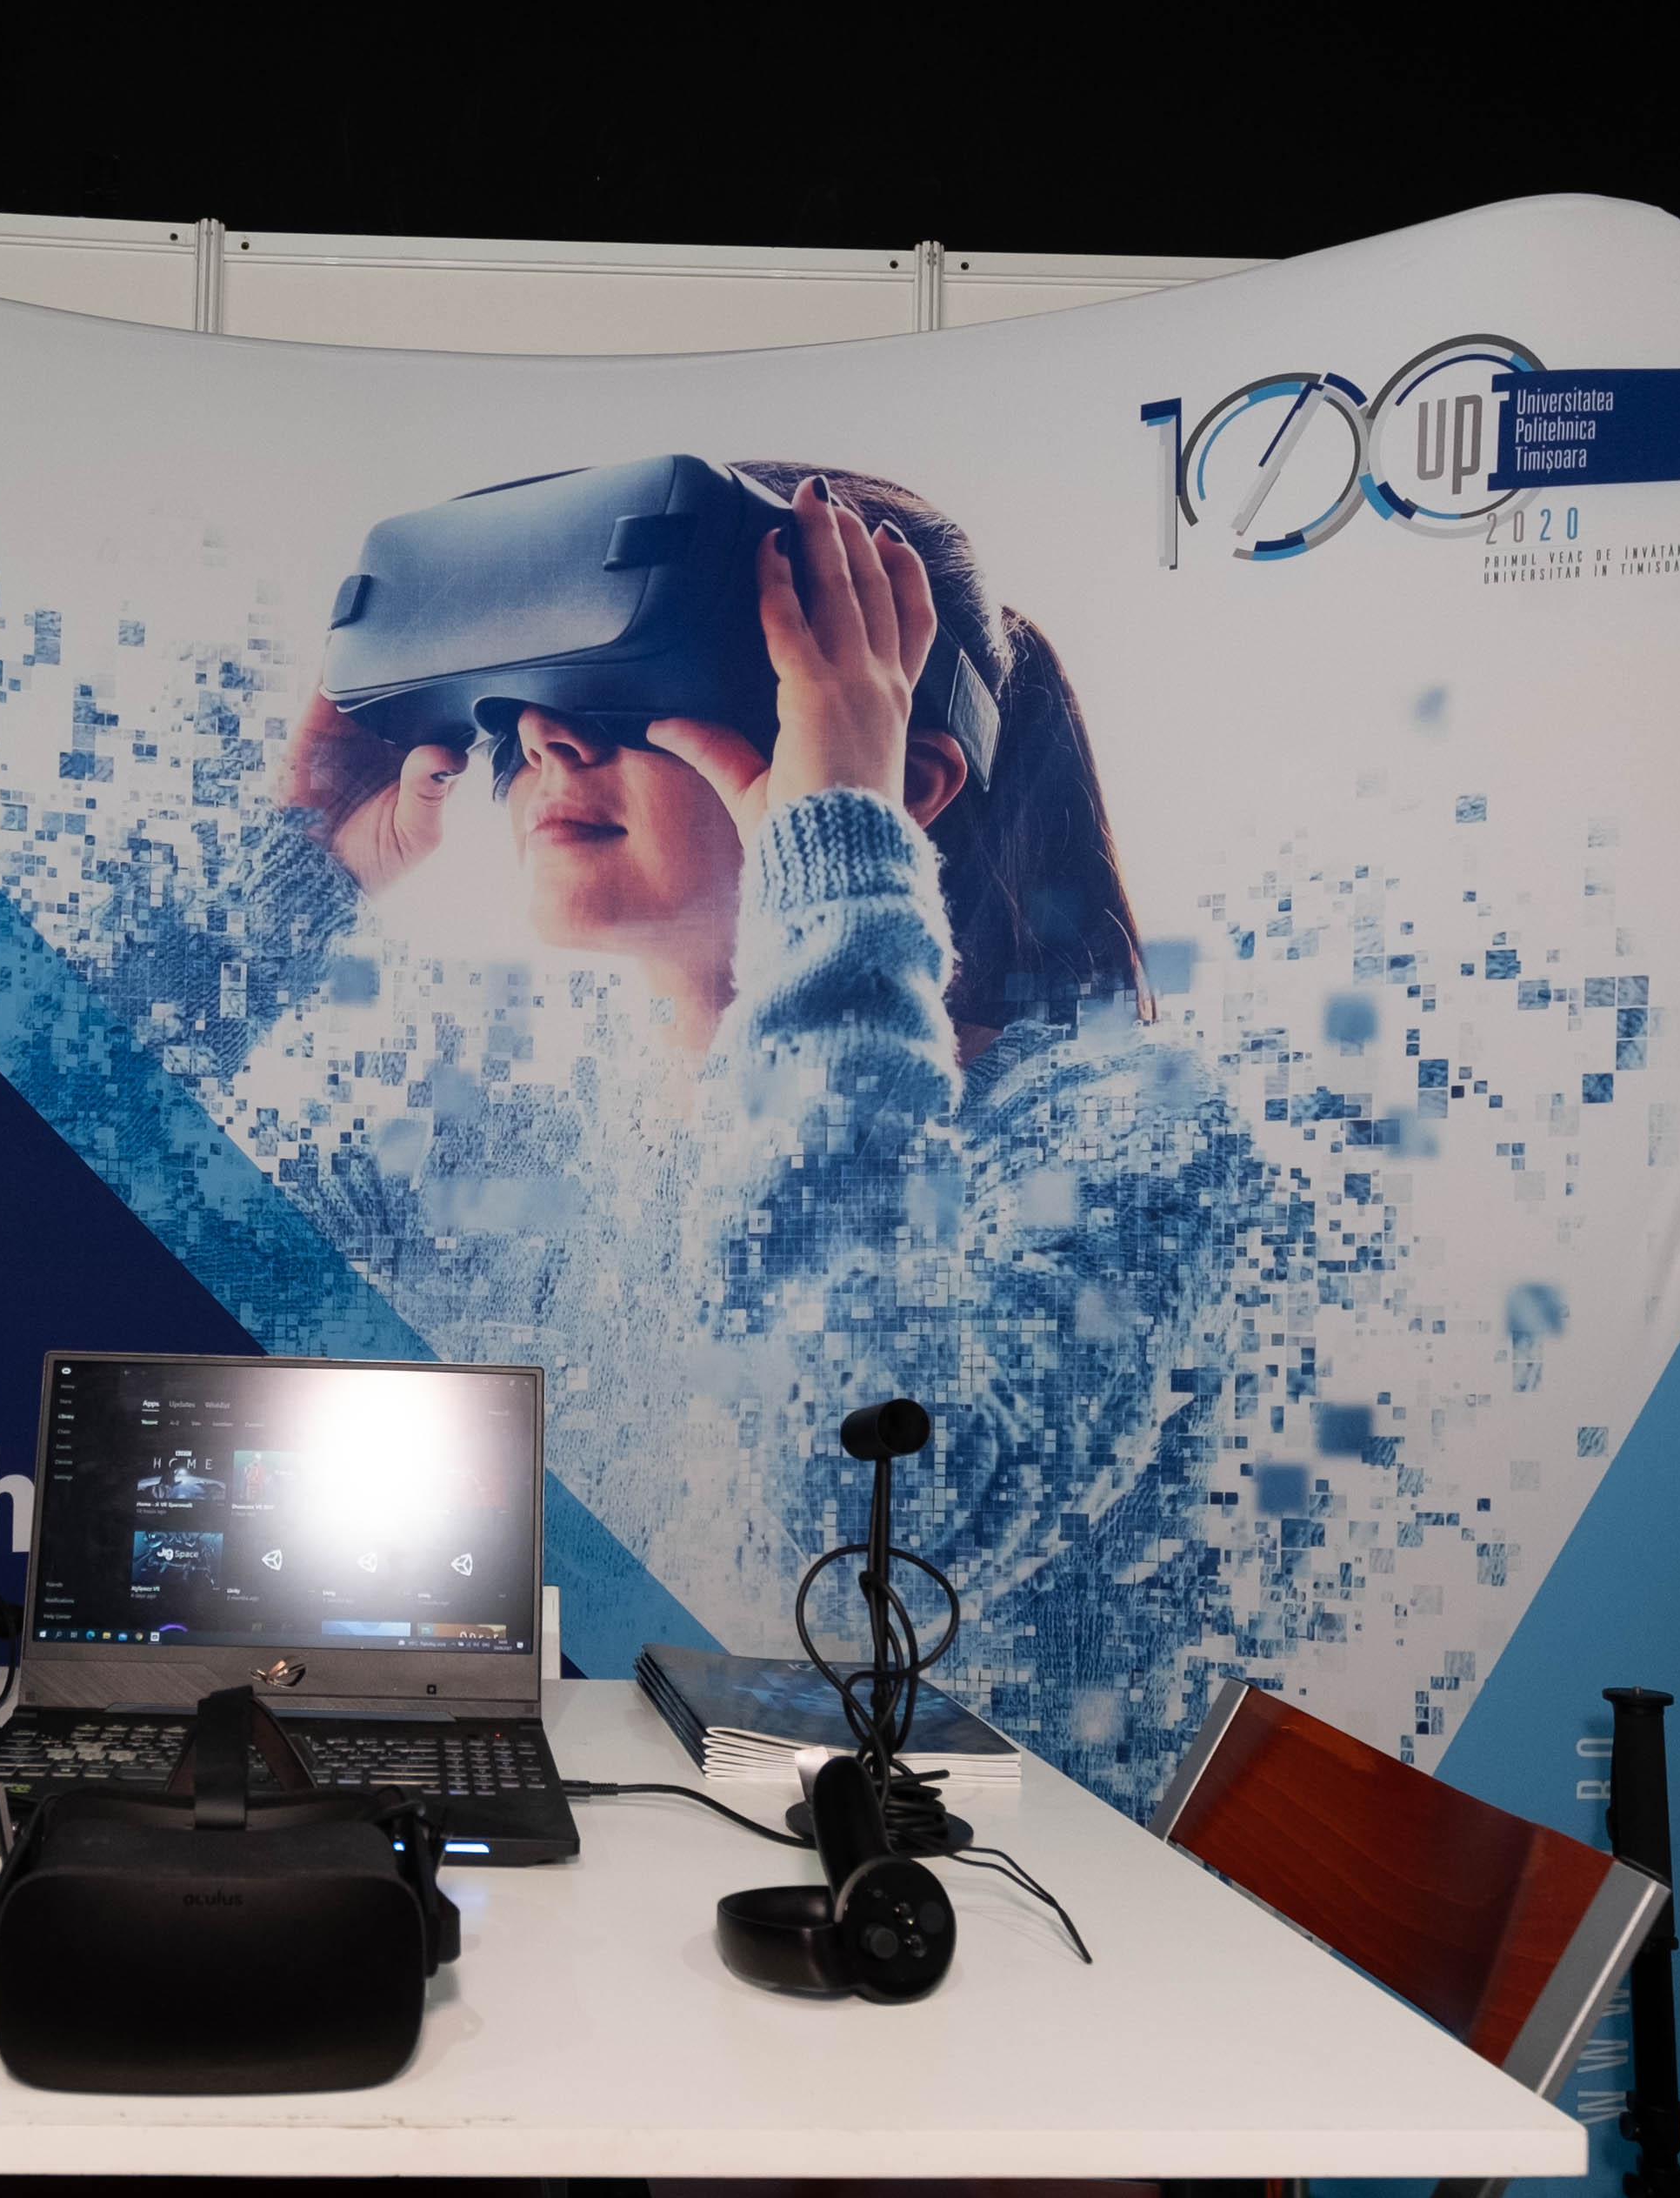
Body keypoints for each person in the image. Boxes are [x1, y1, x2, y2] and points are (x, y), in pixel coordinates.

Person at [106, 465, 1263, 1804]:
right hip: (612, 1847)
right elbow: (45, 1191)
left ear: (904, 781)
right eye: (519, 715)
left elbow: (855, 1564)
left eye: (627, 702)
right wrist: (295, 870)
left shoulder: (1117, 1135)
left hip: (952, 1889)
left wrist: (839, 862)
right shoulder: (524, 1159)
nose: (549, 745)